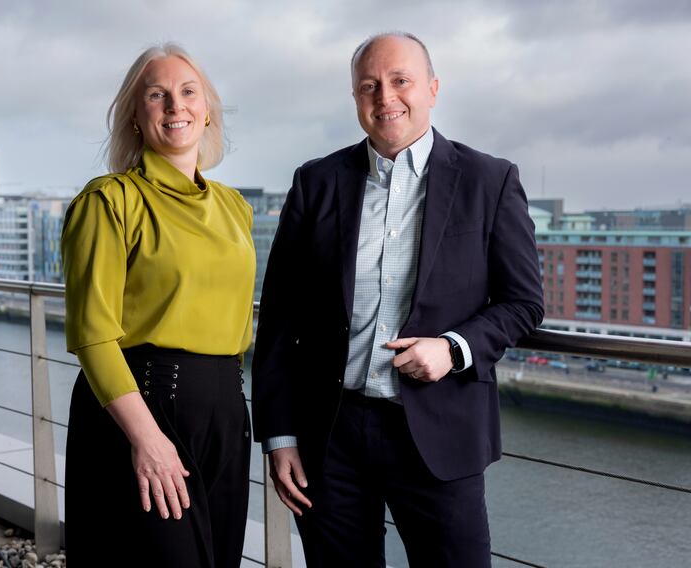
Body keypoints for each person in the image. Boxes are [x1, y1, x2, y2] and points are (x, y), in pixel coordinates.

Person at [252, 32, 544, 567]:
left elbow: (522, 302)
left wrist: (453, 348)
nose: (385, 97)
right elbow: (278, 319)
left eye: (400, 81)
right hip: (328, 438)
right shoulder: (315, 182)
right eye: (369, 86)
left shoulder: (490, 180)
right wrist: (279, 435)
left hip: (440, 435)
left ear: (432, 88)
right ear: (356, 99)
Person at [62, 43, 255, 567]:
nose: (176, 105)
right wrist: (147, 438)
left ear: (207, 109)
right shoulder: (108, 201)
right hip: (145, 411)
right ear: (135, 116)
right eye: (157, 95)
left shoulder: (234, 207)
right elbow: (92, 335)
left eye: (188, 92)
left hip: (227, 414)